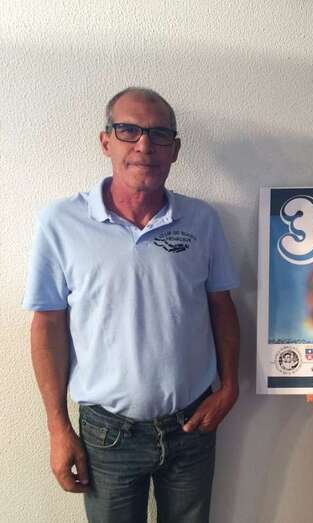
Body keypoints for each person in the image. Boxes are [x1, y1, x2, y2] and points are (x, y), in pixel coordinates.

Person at [23, 87, 241, 522]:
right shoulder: (61, 223)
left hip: (193, 426)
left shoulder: (201, 221)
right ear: (106, 141)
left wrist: (230, 386)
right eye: (129, 130)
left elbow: (222, 305)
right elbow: (47, 324)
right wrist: (57, 426)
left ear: (175, 150)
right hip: (108, 435)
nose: (144, 145)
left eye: (159, 134)